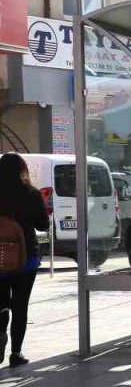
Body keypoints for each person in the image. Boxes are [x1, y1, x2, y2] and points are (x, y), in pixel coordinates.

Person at [0, 153, 50, 367]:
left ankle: (0, 333)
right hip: (25, 257)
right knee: (21, 305)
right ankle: (16, 353)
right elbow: (43, 225)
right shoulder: (31, 194)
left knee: (1, 303)